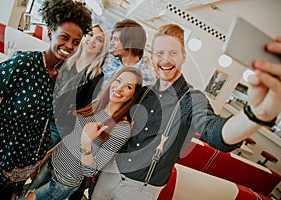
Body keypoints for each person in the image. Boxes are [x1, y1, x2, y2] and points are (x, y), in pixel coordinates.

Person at [91, 25, 281, 200]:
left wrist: (254, 114)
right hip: (110, 172)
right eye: (159, 52)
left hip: (139, 188)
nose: (165, 60)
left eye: (172, 52)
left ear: (183, 56)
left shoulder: (193, 99)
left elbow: (215, 133)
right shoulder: (142, 91)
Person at [0, 0, 92, 199]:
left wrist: (37, 158)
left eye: (76, 42)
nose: (70, 46)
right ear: (50, 33)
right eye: (64, 37)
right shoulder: (21, 64)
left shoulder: (61, 78)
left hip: (20, 170)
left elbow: (44, 123)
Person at [22, 67, 143, 200]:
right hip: (51, 164)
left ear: (133, 95)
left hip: (64, 180)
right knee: (25, 195)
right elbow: (72, 137)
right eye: (118, 81)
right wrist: (47, 156)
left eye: (128, 87)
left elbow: (90, 171)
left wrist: (87, 141)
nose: (119, 88)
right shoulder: (96, 104)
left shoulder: (122, 127)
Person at [26, 23, 110, 193]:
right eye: (90, 34)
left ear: (102, 47)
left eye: (99, 39)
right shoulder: (65, 58)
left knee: (42, 165)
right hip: (40, 117)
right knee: (25, 160)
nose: (92, 40)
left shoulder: (96, 75)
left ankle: (28, 192)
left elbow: (82, 108)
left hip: (61, 126)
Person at [101, 18, 156, 92]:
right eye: (112, 39)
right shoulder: (107, 60)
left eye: (116, 39)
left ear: (130, 43)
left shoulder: (147, 76)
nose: (112, 43)